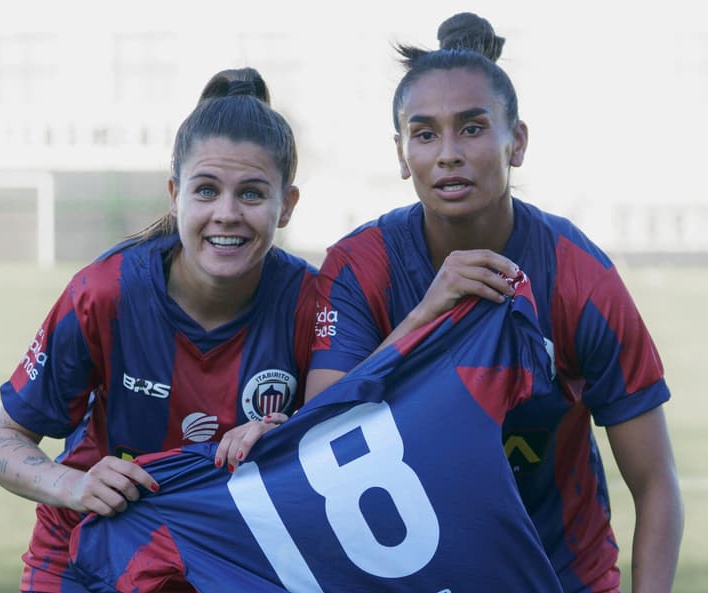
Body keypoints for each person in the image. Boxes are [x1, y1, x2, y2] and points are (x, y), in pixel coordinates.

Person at [217, 12, 684, 593]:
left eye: (471, 128)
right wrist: (426, 316)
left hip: (561, 576)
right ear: (400, 152)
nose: (447, 154)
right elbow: (323, 437)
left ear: (516, 142)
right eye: (424, 132)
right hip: (415, 575)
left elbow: (656, 482)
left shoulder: (578, 275)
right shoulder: (361, 267)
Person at [0, 67, 317, 593]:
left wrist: (290, 433)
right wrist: (75, 483)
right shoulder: (105, 294)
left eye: (251, 194)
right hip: (85, 555)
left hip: (229, 558)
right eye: (206, 191)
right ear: (175, 195)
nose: (226, 214)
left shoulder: (312, 303)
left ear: (286, 205)